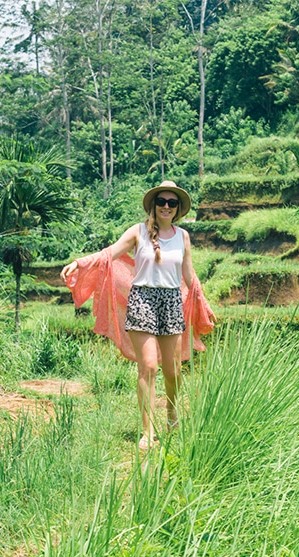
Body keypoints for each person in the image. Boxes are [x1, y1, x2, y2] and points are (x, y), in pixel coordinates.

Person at [60, 180, 212, 450]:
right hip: (142, 299)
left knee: (173, 370)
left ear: (177, 209)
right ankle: (147, 430)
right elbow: (109, 255)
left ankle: (172, 414)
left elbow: (188, 275)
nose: (166, 206)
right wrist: (79, 263)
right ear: (153, 205)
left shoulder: (183, 237)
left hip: (171, 301)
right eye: (161, 202)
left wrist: (201, 302)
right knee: (149, 367)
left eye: (172, 203)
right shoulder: (138, 232)